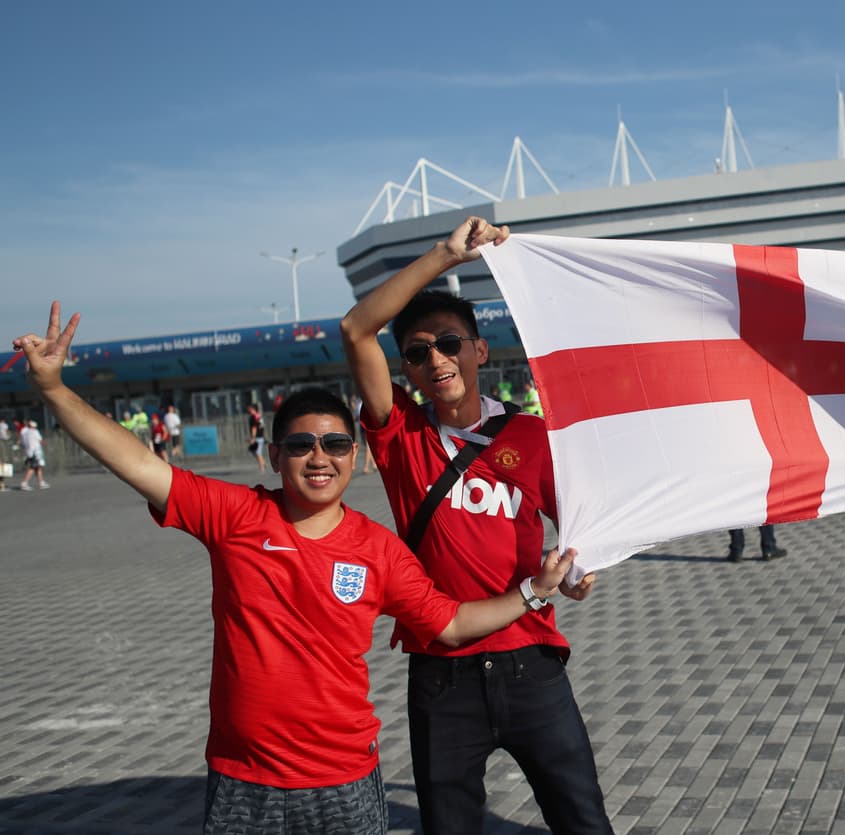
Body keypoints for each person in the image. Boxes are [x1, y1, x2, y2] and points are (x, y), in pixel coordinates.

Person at [14, 302, 577, 835]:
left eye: (334, 443)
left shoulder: (378, 549)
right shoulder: (236, 517)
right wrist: (54, 390)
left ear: (354, 458)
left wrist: (535, 591)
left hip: (348, 780)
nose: (319, 456)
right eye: (301, 443)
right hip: (244, 779)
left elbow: (449, 623)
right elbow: (137, 462)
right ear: (277, 454)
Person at [341, 216, 613, 834]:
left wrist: (578, 573)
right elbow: (356, 329)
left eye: (449, 343)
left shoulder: (530, 436)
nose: (435, 359)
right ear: (406, 369)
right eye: (417, 352)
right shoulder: (401, 435)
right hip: (441, 672)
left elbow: (575, 530)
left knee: (583, 820)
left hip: (531, 663)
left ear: (479, 350)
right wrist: (444, 255)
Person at [18, 417, 49, 490]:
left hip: (29, 452)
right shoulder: (34, 431)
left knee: (38, 467)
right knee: (32, 467)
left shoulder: (25, 432)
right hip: (36, 452)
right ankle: (24, 482)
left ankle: (41, 482)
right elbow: (41, 441)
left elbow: (22, 443)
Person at [246, 402, 266, 472]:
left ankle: (262, 467)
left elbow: (254, 428)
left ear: (252, 409)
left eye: (249, 408)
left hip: (257, 437)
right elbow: (262, 426)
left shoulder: (253, 417)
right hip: (261, 436)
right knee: (254, 451)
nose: (248, 410)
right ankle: (263, 462)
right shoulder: (259, 416)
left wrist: (253, 438)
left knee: (257, 452)